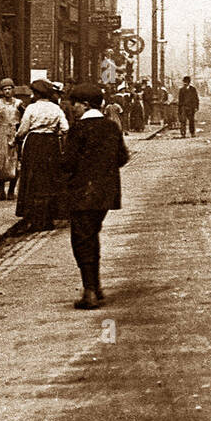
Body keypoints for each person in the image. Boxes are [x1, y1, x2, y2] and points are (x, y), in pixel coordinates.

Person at [60, 84, 129, 310]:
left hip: (82, 193)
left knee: (81, 239)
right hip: (105, 194)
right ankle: (95, 286)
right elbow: (122, 158)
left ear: (85, 104)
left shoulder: (78, 130)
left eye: (75, 104)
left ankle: (89, 290)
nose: (73, 109)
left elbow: (68, 163)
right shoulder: (111, 127)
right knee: (92, 235)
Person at [15, 79, 69, 231]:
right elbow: (65, 128)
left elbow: (23, 128)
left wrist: (17, 137)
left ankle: (34, 218)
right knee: (49, 180)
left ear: (36, 94)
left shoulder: (32, 108)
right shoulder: (56, 109)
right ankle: (48, 219)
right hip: (51, 145)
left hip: (34, 144)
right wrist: (54, 131)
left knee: (32, 180)